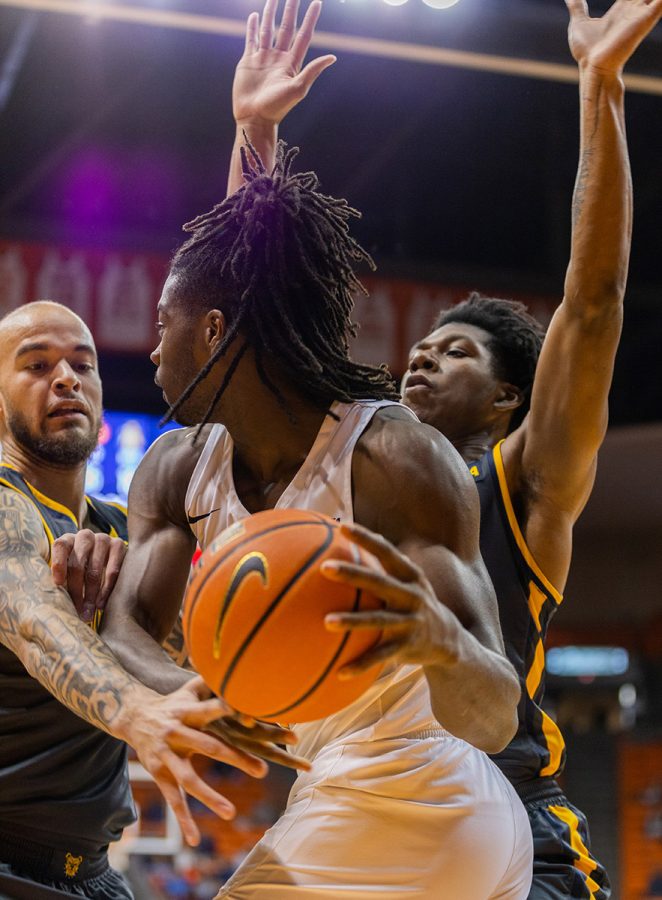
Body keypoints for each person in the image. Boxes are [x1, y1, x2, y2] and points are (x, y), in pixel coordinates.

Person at [213, 0, 662, 896]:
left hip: (507, 799)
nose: (423, 352)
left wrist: (600, 88)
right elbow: (255, 338)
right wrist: (256, 132)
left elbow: (596, 302)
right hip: (367, 792)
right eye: (423, 344)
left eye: (457, 351)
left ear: (506, 397)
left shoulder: (520, 482)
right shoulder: (360, 462)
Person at [96, 4, 535, 897]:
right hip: (336, 791)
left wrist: (441, 644)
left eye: (162, 327)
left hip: (430, 794)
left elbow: (494, 715)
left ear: (211, 332)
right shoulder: (179, 470)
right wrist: (253, 132)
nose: (149, 353)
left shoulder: (395, 463)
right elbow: (123, 628)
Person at [0, 301, 277, 899]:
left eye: (82, 363)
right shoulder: (4, 510)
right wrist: (137, 710)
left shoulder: (125, 531)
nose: (67, 377)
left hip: (92, 874)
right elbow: (33, 623)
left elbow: (187, 651)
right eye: (37, 364)